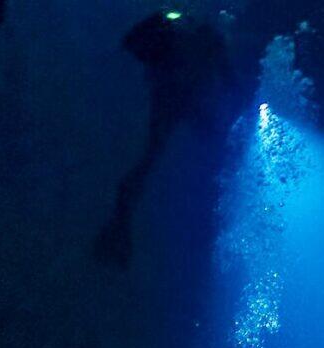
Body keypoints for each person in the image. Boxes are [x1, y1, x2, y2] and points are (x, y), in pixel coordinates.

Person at [94, 9, 246, 268]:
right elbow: (231, 82)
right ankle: (119, 227)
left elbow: (229, 81)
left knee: (150, 158)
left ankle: (120, 224)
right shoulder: (201, 33)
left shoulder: (179, 24)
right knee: (212, 147)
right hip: (178, 98)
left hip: (171, 96)